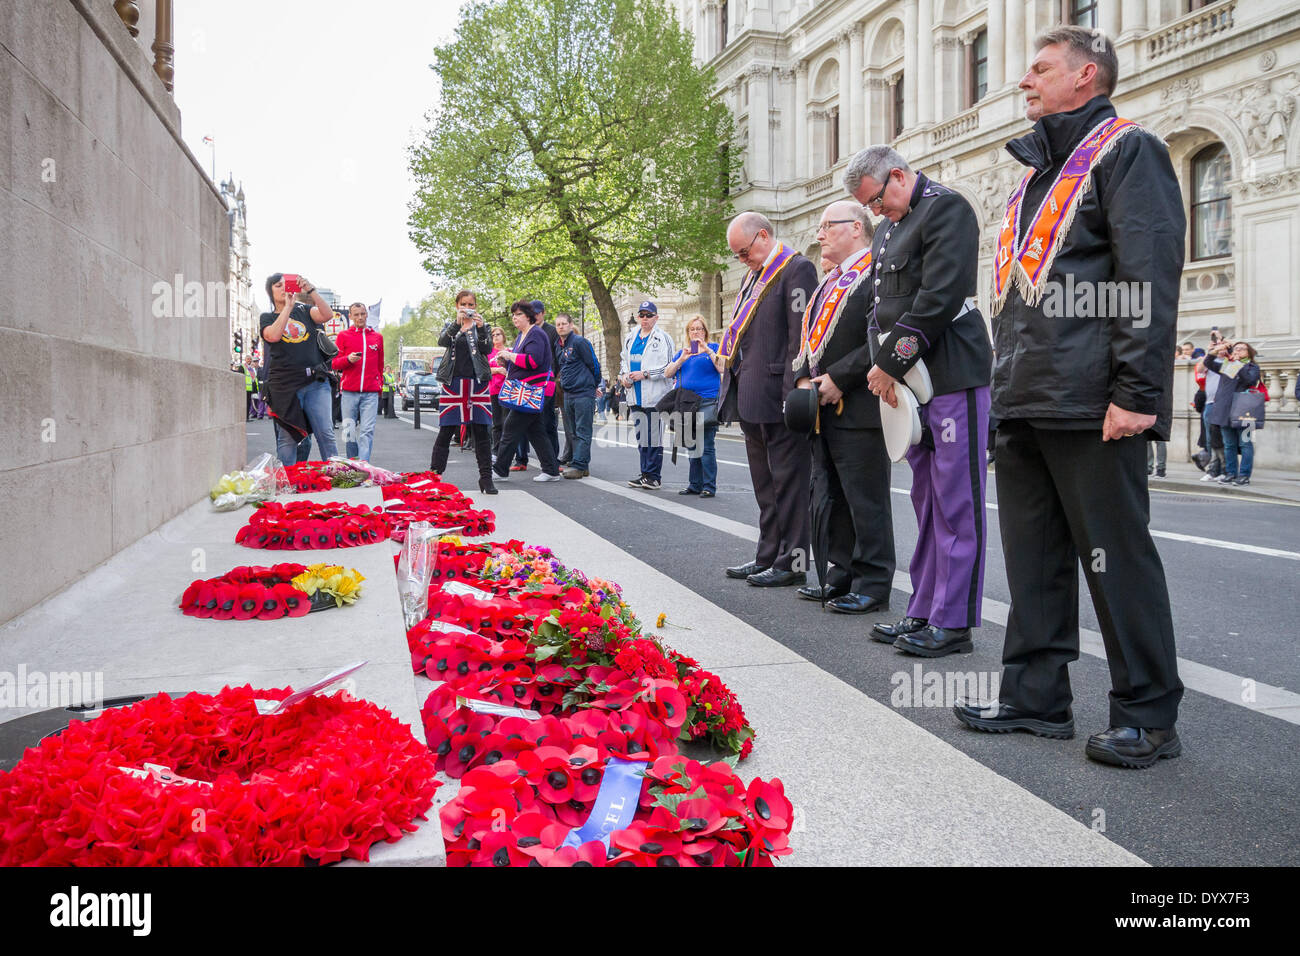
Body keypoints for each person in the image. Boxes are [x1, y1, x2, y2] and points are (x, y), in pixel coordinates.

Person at [954, 27, 1185, 769]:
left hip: (1092, 400)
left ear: (1086, 77)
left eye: (1040, 68)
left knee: (1116, 561)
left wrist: (1137, 393)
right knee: (1035, 563)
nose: (1024, 80)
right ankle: (1034, 698)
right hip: (1025, 394)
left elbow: (1146, 278)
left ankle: (1148, 715)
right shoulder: (1034, 176)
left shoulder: (1128, 152)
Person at [846, 150, 994, 648]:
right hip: (909, 379)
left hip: (952, 370)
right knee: (925, 498)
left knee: (957, 500)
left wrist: (889, 364)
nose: (874, 213)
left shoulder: (946, 208)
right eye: (867, 206)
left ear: (899, 176)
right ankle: (924, 607)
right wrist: (880, 365)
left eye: (876, 200)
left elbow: (940, 297)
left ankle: (952, 623)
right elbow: (877, 306)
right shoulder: (889, 228)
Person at [791, 201, 895, 612]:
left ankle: (872, 584)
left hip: (859, 405)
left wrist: (838, 379)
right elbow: (808, 342)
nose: (819, 235)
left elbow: (879, 338)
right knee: (830, 496)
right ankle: (841, 574)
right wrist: (803, 379)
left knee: (865, 500)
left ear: (855, 228)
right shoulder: (827, 283)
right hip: (821, 406)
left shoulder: (875, 273)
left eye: (825, 227)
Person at [721, 212, 818, 588]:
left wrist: (794, 391)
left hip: (780, 394)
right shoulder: (752, 277)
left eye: (744, 252)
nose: (742, 260)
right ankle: (767, 555)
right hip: (750, 394)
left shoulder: (797, 270)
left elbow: (800, 336)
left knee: (790, 485)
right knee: (765, 485)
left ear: (763, 236)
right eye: (738, 256)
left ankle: (792, 562)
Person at [259, 273, 338, 466]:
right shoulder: (267, 317)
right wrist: (288, 308)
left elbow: (327, 315)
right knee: (287, 439)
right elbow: (274, 336)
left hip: (314, 382)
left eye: (286, 285)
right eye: (278, 286)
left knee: (326, 433)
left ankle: (338, 474)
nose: (283, 288)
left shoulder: (305, 310)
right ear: (270, 292)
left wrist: (311, 290)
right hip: (285, 387)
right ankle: (287, 480)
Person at [430, 290, 496, 493]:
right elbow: (442, 342)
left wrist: (481, 328)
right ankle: (434, 477)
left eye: (472, 305)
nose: (468, 308)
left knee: (482, 430)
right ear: (457, 305)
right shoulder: (451, 326)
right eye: (464, 304)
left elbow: (487, 349)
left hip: (477, 383)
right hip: (454, 383)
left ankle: (486, 479)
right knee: (446, 430)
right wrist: (457, 324)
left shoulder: (483, 326)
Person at [492, 301, 562, 483]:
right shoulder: (522, 335)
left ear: (528, 317)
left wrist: (510, 356)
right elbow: (520, 363)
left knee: (510, 427)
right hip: (528, 390)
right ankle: (551, 470)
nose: (515, 317)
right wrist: (505, 362)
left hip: (534, 390)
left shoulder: (536, 334)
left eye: (518, 314)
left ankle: (500, 470)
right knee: (535, 431)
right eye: (513, 314)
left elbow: (533, 361)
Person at [663, 314, 725, 498]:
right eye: (692, 329)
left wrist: (708, 351)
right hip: (686, 404)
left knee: (706, 446)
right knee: (692, 446)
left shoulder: (713, 347)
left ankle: (709, 486)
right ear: (688, 333)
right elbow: (668, 373)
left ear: (705, 331)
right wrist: (681, 359)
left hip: (707, 402)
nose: (696, 332)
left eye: (699, 328)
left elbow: (722, 368)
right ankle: (694, 484)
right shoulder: (684, 352)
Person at [619, 302, 676, 489]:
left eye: (648, 315)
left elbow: (669, 366)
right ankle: (644, 473)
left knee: (654, 438)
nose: (644, 319)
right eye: (641, 315)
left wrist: (645, 373)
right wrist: (624, 376)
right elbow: (623, 360)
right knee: (642, 437)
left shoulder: (663, 338)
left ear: (656, 317)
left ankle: (654, 476)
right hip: (635, 395)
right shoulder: (630, 337)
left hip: (655, 396)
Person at [1203, 339, 1262, 486]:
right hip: (1225, 411)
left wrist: (1236, 364)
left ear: (1249, 352)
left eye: (1242, 349)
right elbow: (1209, 362)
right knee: (1229, 444)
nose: (1237, 351)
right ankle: (1230, 473)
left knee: (1245, 443)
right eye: (1235, 348)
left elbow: (1249, 379)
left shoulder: (1252, 367)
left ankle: (1244, 475)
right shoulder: (1226, 365)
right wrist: (1216, 350)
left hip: (1244, 411)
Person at [332, 302, 385, 462]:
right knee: (349, 432)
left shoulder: (377, 337)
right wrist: (348, 359)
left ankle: (364, 466)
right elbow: (334, 363)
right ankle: (352, 464)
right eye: (356, 314)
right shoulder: (343, 336)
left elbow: (380, 365)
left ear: (366, 315)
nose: (360, 317)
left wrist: (379, 385)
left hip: (370, 393)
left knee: (367, 431)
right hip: (349, 392)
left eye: (362, 314)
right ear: (350, 317)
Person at [555, 312, 601, 479]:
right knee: (572, 431)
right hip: (568, 393)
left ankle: (578, 466)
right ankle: (583, 464)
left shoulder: (580, 342)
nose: (560, 327)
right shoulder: (559, 345)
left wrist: (593, 384)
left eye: (563, 324)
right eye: (558, 324)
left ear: (570, 324)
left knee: (582, 430)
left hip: (583, 392)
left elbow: (594, 364)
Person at [531, 299, 562, 461]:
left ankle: (553, 458)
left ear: (543, 313)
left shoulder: (552, 331)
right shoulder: (527, 331)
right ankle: (543, 457)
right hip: (532, 383)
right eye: (532, 313)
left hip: (548, 382)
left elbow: (557, 357)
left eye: (537, 313)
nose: (535, 316)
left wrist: (553, 377)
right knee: (535, 423)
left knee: (549, 422)